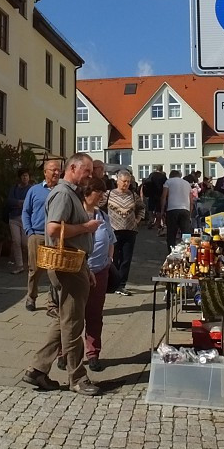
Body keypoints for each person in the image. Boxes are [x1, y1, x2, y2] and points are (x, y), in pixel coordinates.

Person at [23, 153, 103, 396]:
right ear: (73, 168)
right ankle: (77, 377)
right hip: (66, 265)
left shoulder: (69, 193)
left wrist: (86, 268)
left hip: (74, 263)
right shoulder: (63, 193)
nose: (89, 175)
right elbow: (53, 228)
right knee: (73, 323)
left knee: (63, 320)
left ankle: (38, 369)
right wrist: (86, 228)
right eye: (87, 171)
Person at [82, 177, 116, 372]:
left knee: (95, 314)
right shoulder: (77, 214)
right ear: (87, 193)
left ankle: (93, 353)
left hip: (100, 270)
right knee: (74, 315)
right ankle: (66, 353)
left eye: (103, 193)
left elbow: (111, 239)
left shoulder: (102, 215)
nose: (102, 197)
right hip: (79, 271)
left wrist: (109, 260)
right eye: (98, 193)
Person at [21, 159, 61, 313]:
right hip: (37, 235)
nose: (56, 172)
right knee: (35, 270)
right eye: (53, 170)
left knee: (54, 271)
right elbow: (26, 211)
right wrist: (29, 232)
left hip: (56, 237)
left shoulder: (62, 190)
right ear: (45, 172)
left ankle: (53, 303)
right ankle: (31, 297)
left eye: (58, 170)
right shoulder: (34, 190)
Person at [101, 170, 144, 296]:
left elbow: (141, 207)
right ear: (117, 181)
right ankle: (112, 283)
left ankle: (121, 285)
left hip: (130, 230)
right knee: (114, 258)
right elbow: (97, 206)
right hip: (114, 230)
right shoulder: (108, 194)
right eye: (124, 181)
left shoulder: (133, 195)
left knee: (126, 259)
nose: (126, 184)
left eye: (128, 182)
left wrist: (137, 219)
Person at [6, 168, 32, 275]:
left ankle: (30, 263)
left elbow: (30, 202)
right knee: (16, 241)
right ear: (20, 177)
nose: (25, 178)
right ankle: (19, 265)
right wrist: (19, 202)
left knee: (25, 243)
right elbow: (9, 201)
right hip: (14, 217)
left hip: (26, 218)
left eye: (26, 176)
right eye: (23, 176)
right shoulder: (14, 188)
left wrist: (19, 203)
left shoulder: (31, 189)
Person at [161, 169, 193, 247]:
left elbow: (163, 197)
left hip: (172, 209)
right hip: (185, 209)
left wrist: (162, 210)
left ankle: (171, 251)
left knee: (171, 233)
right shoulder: (187, 183)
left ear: (170, 176)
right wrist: (190, 213)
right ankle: (187, 251)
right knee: (186, 233)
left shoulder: (168, 182)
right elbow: (191, 200)